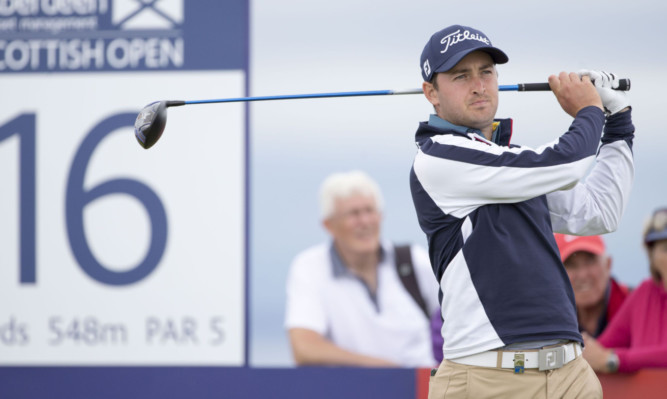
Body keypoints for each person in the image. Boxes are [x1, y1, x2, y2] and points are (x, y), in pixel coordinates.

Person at [410, 24, 634, 398]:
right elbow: (568, 161)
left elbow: (600, 211)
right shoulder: (438, 157)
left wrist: (617, 121)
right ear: (431, 93)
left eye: (486, 72)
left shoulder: (510, 165)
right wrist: (589, 109)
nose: (479, 85)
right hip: (487, 379)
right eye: (460, 76)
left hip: (569, 374)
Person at [284, 170, 440, 367]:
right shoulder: (310, 267)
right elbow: (304, 349)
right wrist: (390, 371)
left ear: (381, 216)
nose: (364, 222)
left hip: (423, 391)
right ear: (329, 225)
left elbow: (460, 318)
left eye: (370, 211)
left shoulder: (413, 261)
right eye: (353, 214)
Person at [583, 208, 667, 373]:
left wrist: (613, 360)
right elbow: (601, 348)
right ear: (652, 255)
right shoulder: (644, 293)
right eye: (665, 248)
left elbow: (605, 356)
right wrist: (583, 350)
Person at [555, 233, 630, 337]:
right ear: (556, 275)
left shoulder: (637, 305)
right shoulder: (549, 320)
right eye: (571, 265)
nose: (582, 275)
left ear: (608, 264)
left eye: (590, 261)